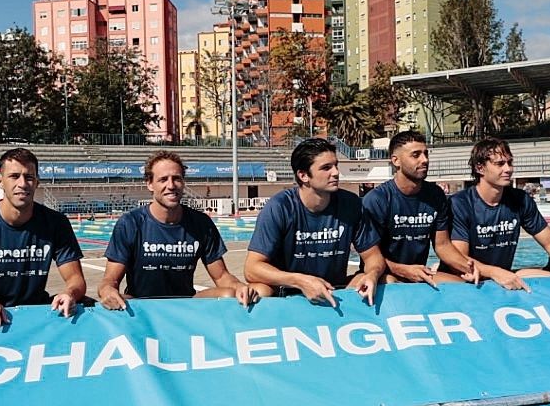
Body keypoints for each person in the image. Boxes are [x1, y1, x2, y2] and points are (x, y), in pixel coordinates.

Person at [98, 151, 257, 308]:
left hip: (185, 305)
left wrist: (240, 287)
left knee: (228, 294)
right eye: (163, 180)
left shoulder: (201, 223)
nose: (171, 185)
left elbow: (221, 276)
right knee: (119, 300)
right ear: (150, 184)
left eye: (177, 179)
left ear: (183, 182)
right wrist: (107, 290)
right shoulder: (130, 223)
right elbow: (110, 279)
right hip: (142, 306)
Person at [0, 147, 88, 327]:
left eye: (29, 177)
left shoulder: (56, 222)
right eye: (14, 176)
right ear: (0, 182)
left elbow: (76, 279)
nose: (22, 183)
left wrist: (70, 293)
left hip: (35, 312)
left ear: (37, 182)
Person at [245, 137, 385, 306]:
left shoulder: (351, 204)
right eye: (326, 168)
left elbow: (373, 257)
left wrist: (372, 275)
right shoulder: (279, 207)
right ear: (303, 175)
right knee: (260, 291)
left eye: (335, 165)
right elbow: (252, 268)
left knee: (379, 280)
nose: (335, 172)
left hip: (334, 289)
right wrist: (300, 281)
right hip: (286, 291)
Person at [446, 138, 550, 290]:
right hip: (465, 280)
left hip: (502, 277)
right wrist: (494, 272)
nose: (508, 169)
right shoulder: (460, 204)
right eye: (500, 164)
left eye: (510, 162)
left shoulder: (520, 199)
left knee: (547, 279)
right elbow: (460, 259)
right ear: (480, 168)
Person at [358, 129, 475, 285]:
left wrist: (470, 268)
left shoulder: (435, 195)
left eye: (426, 154)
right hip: (383, 274)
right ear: (396, 161)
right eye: (416, 155)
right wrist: (404, 270)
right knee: (393, 283)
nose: (424, 159)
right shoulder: (376, 200)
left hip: (419, 273)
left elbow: (443, 245)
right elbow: (371, 257)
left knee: (463, 287)